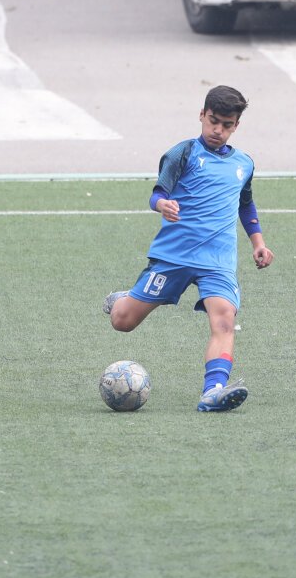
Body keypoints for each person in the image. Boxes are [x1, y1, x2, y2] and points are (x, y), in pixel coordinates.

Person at [104, 84, 274, 412]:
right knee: (123, 322)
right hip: (174, 256)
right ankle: (122, 301)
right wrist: (162, 204)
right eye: (213, 121)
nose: (218, 130)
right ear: (201, 115)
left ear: (236, 126)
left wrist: (259, 243)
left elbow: (245, 203)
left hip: (218, 262)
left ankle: (213, 392)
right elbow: (157, 193)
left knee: (224, 320)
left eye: (226, 125)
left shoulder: (244, 163)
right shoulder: (182, 153)